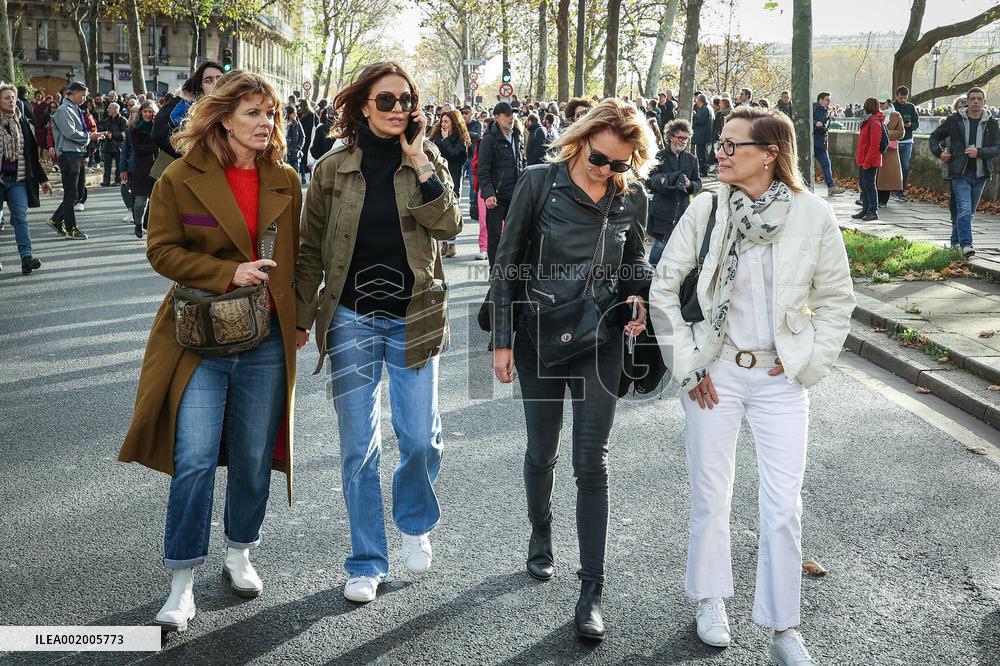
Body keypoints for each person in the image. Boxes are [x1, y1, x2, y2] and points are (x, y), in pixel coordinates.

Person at [648, 104, 855, 666]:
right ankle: (711, 597)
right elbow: (664, 288)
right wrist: (688, 364)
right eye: (720, 143)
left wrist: (808, 363)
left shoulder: (813, 215)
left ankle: (784, 625)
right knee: (711, 496)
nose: (720, 151)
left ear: (770, 153)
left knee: (783, 505)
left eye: (732, 144)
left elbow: (837, 299)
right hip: (715, 373)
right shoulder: (707, 208)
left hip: (781, 377)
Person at [119, 71, 301, 631]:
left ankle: (240, 550)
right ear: (223, 117)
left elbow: (302, 257)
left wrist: (302, 319)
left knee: (252, 457)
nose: (266, 123)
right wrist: (229, 272)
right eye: (253, 113)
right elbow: (162, 251)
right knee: (194, 458)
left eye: (270, 113)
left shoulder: (287, 179)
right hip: (198, 337)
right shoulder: (180, 175)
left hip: (266, 336)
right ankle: (181, 583)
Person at [294, 61, 462, 605]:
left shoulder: (426, 159)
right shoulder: (331, 168)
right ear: (363, 106)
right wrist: (299, 317)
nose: (397, 109)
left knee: (418, 437)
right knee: (358, 448)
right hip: (351, 319)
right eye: (385, 100)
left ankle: (414, 520)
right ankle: (366, 559)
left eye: (406, 100)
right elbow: (310, 248)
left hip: (415, 315)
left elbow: (449, 225)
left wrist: (418, 160)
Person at [490, 97, 653, 642]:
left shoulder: (633, 199)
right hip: (539, 333)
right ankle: (541, 534)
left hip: (600, 338)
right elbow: (507, 261)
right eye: (601, 159)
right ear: (581, 141)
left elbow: (636, 263)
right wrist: (503, 340)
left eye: (621, 164)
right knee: (542, 450)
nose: (608, 172)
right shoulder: (539, 182)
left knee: (592, 461)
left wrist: (638, 298)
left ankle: (591, 590)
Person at [929, 87, 1000, 258]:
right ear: (967, 101)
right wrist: (940, 153)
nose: (975, 101)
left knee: (968, 211)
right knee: (964, 209)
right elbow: (934, 137)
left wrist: (980, 152)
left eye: (979, 99)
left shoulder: (992, 123)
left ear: (984, 102)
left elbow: (997, 147)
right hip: (959, 171)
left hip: (981, 173)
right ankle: (966, 245)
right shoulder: (954, 120)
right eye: (972, 98)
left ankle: (954, 242)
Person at [0, 83, 52, 275]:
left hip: (18, 179)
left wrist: (43, 179)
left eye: (13, 97)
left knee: (20, 218)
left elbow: (31, 155)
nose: (11, 100)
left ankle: (26, 258)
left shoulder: (22, 123)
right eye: (6, 97)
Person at [48, 81, 100, 240]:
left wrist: (89, 137)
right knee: (72, 193)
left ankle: (56, 220)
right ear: (73, 92)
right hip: (69, 153)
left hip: (76, 153)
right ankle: (71, 228)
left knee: (77, 193)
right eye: (82, 95)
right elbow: (70, 132)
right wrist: (89, 137)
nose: (84, 98)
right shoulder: (64, 110)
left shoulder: (74, 108)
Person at [647, 118, 701, 266]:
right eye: (680, 138)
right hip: (662, 211)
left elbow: (698, 183)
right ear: (671, 137)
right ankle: (650, 275)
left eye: (686, 138)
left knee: (679, 248)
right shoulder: (659, 156)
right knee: (660, 245)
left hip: (682, 211)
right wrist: (662, 180)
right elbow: (649, 180)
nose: (683, 141)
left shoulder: (692, 159)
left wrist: (690, 184)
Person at [478, 101, 525, 265]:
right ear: (497, 117)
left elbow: (522, 163)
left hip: (516, 194)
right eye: (506, 115)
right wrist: (489, 193)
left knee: (516, 235)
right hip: (496, 197)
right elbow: (482, 169)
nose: (511, 118)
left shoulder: (518, 135)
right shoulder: (489, 140)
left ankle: (513, 269)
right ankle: (495, 270)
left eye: (512, 114)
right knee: (495, 236)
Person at [429, 109, 471, 258]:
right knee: (440, 209)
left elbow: (457, 156)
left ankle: (452, 244)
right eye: (442, 121)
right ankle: (444, 243)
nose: (443, 124)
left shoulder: (461, 138)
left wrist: (446, 140)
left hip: (453, 176)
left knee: (451, 209)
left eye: (447, 121)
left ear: (454, 123)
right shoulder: (436, 136)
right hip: (437, 175)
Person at [120, 100, 159, 238]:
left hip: (157, 168)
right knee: (139, 202)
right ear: (141, 112)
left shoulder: (158, 127)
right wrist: (155, 147)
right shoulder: (134, 128)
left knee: (154, 200)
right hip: (140, 169)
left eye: (150, 111)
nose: (148, 114)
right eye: (145, 111)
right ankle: (138, 223)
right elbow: (137, 149)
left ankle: (146, 224)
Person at [854, 97, 883, 221]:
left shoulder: (874, 123)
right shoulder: (868, 122)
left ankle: (872, 210)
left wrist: (867, 161)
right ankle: (865, 209)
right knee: (864, 185)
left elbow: (874, 146)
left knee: (870, 185)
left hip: (870, 160)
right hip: (864, 159)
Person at [813, 92, 844, 196]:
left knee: (826, 164)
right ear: (820, 100)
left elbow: (826, 123)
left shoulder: (826, 110)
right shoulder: (814, 108)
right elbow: (804, 119)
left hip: (821, 142)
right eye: (827, 100)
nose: (828, 102)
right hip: (813, 142)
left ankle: (831, 187)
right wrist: (815, 123)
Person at [891, 86, 920, 201]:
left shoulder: (911, 107)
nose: (903, 100)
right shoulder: (892, 107)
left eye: (905, 98)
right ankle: (886, 190)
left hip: (907, 140)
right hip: (894, 141)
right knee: (890, 167)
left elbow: (916, 123)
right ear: (896, 96)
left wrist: (910, 125)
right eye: (901, 98)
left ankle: (900, 192)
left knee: (905, 167)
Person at [876, 98, 905, 208]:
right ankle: (874, 198)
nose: (881, 105)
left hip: (889, 149)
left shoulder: (896, 115)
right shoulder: (876, 114)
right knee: (876, 175)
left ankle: (883, 200)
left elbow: (901, 133)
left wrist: (886, 132)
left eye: (883, 103)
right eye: (880, 103)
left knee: (887, 176)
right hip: (877, 148)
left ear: (889, 103)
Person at [462, 105, 482, 222]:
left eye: (467, 113)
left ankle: (472, 204)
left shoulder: (477, 124)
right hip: (461, 155)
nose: (464, 115)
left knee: (473, 183)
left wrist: (463, 131)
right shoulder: (459, 123)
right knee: (457, 182)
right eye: (463, 113)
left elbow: (477, 135)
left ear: (472, 113)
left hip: (472, 156)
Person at [101, 102, 127, 187]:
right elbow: (102, 128)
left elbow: (124, 134)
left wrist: (113, 135)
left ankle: (118, 180)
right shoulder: (107, 119)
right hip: (107, 146)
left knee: (119, 165)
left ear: (115, 109)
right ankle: (106, 181)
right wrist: (104, 133)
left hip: (118, 146)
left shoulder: (122, 120)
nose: (108, 110)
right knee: (106, 165)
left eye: (110, 108)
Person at [692, 93, 713, 177]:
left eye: (697, 100)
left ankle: (703, 170)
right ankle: (703, 170)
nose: (696, 102)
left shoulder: (704, 109)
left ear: (700, 101)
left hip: (701, 136)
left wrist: (694, 115)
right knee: (703, 153)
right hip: (704, 135)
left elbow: (700, 121)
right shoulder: (708, 108)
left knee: (701, 154)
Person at [297, 98, 316, 185]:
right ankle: (311, 177)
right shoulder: (313, 114)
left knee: (302, 157)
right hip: (311, 138)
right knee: (310, 156)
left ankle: (303, 176)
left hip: (301, 138)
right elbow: (317, 124)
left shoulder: (299, 114)